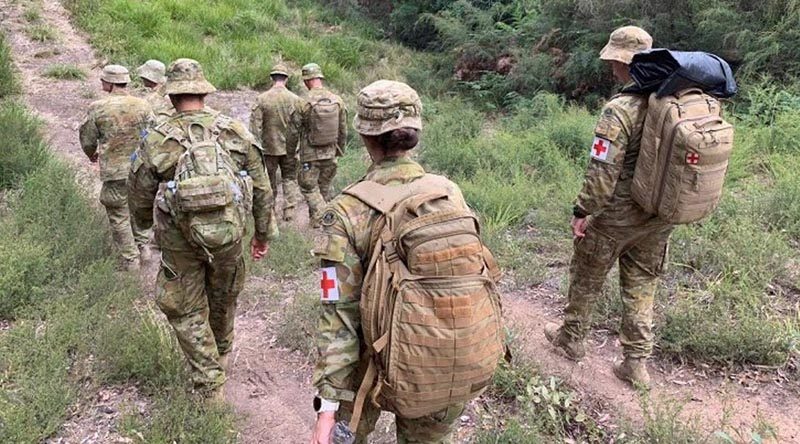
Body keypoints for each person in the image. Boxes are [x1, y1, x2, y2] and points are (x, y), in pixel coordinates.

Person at [309, 80, 499, 444]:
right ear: (414, 132)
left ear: (365, 135)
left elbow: (338, 316)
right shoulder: (447, 191)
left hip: (367, 367)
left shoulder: (346, 213)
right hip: (440, 355)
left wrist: (328, 406)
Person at [128, 58, 278, 400]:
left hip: (178, 240)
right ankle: (221, 351)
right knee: (224, 294)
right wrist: (262, 234)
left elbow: (138, 195)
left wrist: (143, 225)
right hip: (228, 236)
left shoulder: (157, 139)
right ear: (204, 92)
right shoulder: (235, 132)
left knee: (183, 305)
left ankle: (209, 382)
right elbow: (263, 188)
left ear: (171, 97)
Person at [544, 26, 673, 389]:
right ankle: (636, 362)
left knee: (586, 274)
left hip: (616, 216)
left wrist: (583, 210)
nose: (610, 67)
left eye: (613, 60)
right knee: (642, 285)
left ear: (622, 62)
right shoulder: (671, 103)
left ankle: (571, 339)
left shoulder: (620, 109)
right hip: (658, 216)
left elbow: (602, 170)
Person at [79, 64, 153, 270]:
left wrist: (91, 154)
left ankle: (131, 259)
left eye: (103, 80)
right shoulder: (144, 106)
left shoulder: (98, 108)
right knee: (139, 208)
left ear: (110, 83)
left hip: (115, 171)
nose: (101, 82)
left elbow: (87, 139)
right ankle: (144, 247)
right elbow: (154, 134)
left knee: (118, 213)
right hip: (141, 169)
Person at [249, 62, 304, 222]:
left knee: (270, 180)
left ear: (272, 78)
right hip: (291, 148)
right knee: (289, 178)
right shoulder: (296, 100)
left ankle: (271, 211)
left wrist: (256, 149)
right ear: (286, 79)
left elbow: (255, 128)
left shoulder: (262, 99)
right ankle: (289, 211)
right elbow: (302, 126)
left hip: (268, 148)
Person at [297, 63, 347, 227]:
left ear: (306, 81)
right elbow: (343, 130)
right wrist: (339, 151)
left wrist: (291, 152)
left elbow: (293, 131)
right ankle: (316, 224)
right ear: (320, 78)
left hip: (310, 155)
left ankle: (327, 219)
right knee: (323, 187)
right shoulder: (337, 100)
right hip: (331, 153)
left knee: (308, 188)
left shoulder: (303, 102)